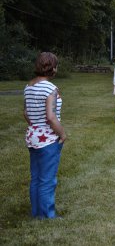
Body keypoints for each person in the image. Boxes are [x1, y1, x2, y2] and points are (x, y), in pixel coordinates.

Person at [23, 52, 67, 219]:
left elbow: (26, 113)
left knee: (36, 177)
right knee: (47, 179)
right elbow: (50, 117)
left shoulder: (29, 86)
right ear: (53, 68)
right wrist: (62, 134)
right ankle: (48, 215)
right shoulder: (50, 88)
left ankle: (36, 212)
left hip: (33, 136)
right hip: (48, 138)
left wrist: (35, 126)